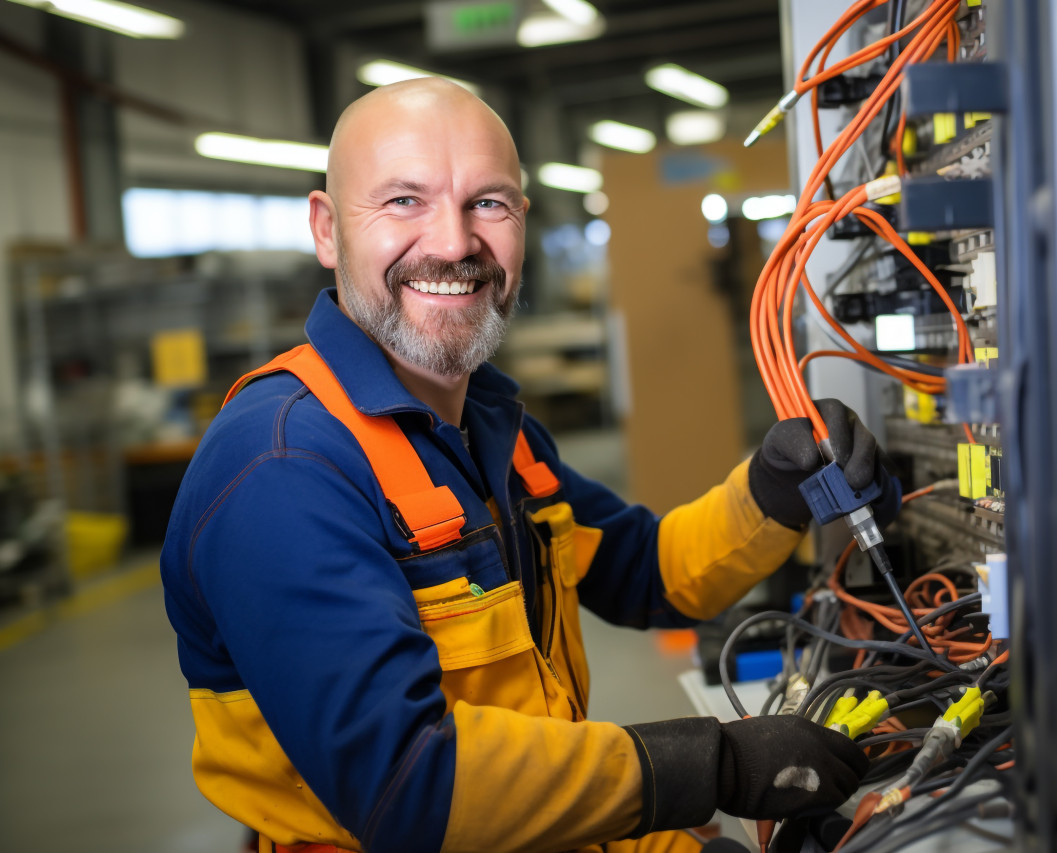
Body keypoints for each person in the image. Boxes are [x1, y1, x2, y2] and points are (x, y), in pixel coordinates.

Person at [160, 78, 899, 853]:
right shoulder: (282, 466)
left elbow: (646, 572)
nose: (452, 244)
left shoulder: (492, 428)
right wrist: (709, 763)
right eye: (404, 201)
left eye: (488, 202)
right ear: (325, 228)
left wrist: (772, 491)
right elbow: (409, 785)